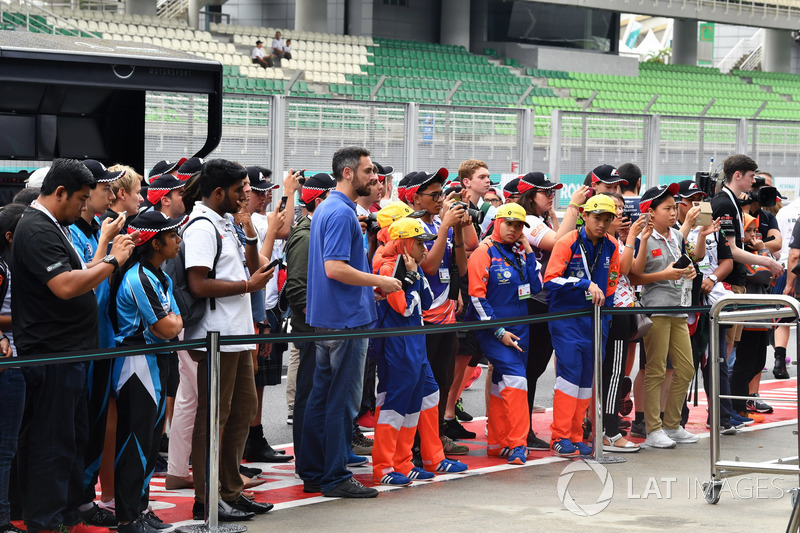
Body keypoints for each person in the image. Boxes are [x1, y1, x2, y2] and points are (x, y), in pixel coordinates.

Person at [13, 159, 135, 533]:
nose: (86, 206)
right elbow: (66, 286)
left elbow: (84, 279)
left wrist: (102, 249)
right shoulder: (36, 229)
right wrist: (114, 260)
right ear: (60, 192)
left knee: (70, 439)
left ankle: (66, 515)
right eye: (82, 198)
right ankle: (46, 522)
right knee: (51, 443)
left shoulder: (55, 226)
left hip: (71, 353)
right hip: (51, 354)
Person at [297, 146, 401, 499]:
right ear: (347, 173)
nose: (374, 178)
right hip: (344, 323)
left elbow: (336, 271)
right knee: (341, 400)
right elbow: (335, 268)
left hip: (333, 317)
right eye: (368, 170)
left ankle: (315, 472)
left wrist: (365, 291)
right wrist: (380, 282)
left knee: (323, 397)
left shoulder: (329, 209)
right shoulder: (341, 213)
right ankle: (335, 475)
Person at [183, 159, 275, 521]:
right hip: (215, 338)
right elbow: (198, 283)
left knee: (239, 416)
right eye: (240, 190)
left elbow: (253, 266)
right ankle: (207, 499)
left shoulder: (226, 222)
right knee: (213, 420)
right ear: (219, 192)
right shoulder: (202, 226)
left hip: (237, 336)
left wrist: (250, 232)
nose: (245, 196)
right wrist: (245, 287)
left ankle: (231, 492)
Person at [371, 215, 468, 484]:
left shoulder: (412, 268)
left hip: (416, 344)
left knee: (425, 397)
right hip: (397, 347)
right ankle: (383, 467)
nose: (425, 249)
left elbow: (424, 301)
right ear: (404, 244)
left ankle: (413, 460)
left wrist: (414, 278)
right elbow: (404, 306)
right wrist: (412, 280)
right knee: (395, 406)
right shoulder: (388, 267)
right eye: (420, 243)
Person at [110, 211, 186, 533]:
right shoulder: (138, 277)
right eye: (174, 236)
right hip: (137, 365)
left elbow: (177, 321)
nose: (179, 242)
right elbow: (168, 325)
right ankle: (127, 518)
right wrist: (172, 323)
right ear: (156, 243)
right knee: (135, 443)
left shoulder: (162, 277)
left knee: (152, 444)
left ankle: (141, 509)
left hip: (158, 361)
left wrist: (173, 323)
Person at [71, 160, 127, 529]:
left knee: (95, 423)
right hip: (82, 341)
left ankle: (84, 496)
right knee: (78, 426)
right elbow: (85, 286)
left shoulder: (95, 228)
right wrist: (108, 245)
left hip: (104, 338)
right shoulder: (73, 233)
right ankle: (73, 499)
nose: (111, 194)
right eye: (104, 187)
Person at [405, 169, 478, 449]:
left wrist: (456, 230)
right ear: (415, 198)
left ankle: (436, 436)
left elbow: (460, 264)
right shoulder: (411, 226)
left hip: (447, 315)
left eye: (441, 194)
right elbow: (429, 266)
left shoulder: (439, 224)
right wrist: (446, 227)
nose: (440, 200)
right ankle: (419, 443)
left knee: (442, 382)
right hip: (424, 319)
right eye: (434, 195)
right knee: (424, 384)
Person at [516, 171, 589, 449]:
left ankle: (524, 429)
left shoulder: (544, 219)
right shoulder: (527, 220)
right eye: (545, 192)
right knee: (527, 369)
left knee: (534, 368)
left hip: (546, 302)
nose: (551, 196)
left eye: (553, 192)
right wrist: (572, 207)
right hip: (531, 303)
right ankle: (521, 430)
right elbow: (559, 243)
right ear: (529, 196)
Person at [543, 195, 619, 456]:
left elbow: (611, 283)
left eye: (608, 219)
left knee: (588, 377)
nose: (602, 224)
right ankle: (559, 436)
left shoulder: (612, 245)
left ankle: (576, 435)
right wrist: (583, 284)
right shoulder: (567, 242)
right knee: (569, 376)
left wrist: (606, 317)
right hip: (567, 319)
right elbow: (550, 280)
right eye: (597, 218)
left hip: (597, 319)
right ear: (584, 215)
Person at [467, 203, 541, 464]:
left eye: (519, 225)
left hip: (522, 327)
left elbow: (535, 287)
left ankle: (498, 442)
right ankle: (518, 443)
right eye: (508, 223)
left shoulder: (520, 253)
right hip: (495, 328)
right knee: (517, 381)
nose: (513, 229)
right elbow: (476, 297)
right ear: (497, 222)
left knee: (501, 383)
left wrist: (529, 251)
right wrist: (498, 331)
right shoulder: (483, 252)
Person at [630, 183, 699, 449]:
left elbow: (683, 264)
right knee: (655, 370)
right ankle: (653, 429)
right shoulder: (642, 239)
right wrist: (665, 275)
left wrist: (689, 272)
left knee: (686, 368)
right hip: (656, 309)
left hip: (678, 309)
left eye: (674, 208)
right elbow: (635, 277)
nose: (673, 213)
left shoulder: (677, 237)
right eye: (667, 208)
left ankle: (672, 424)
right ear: (651, 212)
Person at [285, 172, 336, 485]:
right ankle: (310, 467)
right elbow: (298, 289)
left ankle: (320, 460)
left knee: (321, 397)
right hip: (313, 330)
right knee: (309, 398)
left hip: (322, 328)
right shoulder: (305, 235)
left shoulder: (318, 228)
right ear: (319, 200)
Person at [711, 154, 783, 357]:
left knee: (729, 348)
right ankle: (721, 389)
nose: (754, 182)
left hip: (734, 283)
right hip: (727, 285)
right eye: (751, 176)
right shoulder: (724, 203)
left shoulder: (732, 202)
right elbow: (731, 250)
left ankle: (726, 389)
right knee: (724, 353)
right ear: (737, 175)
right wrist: (768, 260)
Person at [600, 193, 645, 452]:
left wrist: (640, 238)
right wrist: (630, 239)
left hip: (622, 309)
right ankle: (610, 432)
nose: (621, 215)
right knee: (613, 372)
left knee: (614, 373)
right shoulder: (607, 242)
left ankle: (607, 427)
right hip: (614, 311)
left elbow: (636, 272)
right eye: (614, 211)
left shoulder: (614, 240)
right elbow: (625, 269)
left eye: (620, 209)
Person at [0, 204, 27, 533]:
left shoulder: (12, 264)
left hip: (20, 360)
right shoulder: (4, 267)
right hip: (10, 363)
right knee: (6, 445)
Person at [458, 159, 495, 236]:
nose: (488, 180)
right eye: (482, 177)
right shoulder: (458, 209)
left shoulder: (476, 208)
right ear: (467, 182)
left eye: (488, 177)